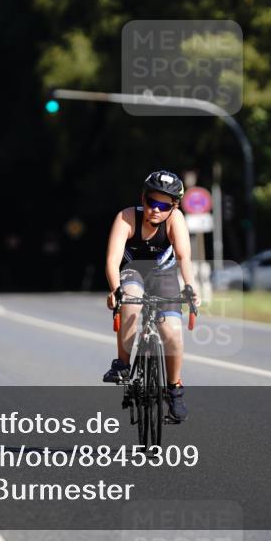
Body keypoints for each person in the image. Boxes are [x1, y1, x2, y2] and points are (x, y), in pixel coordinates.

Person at [103, 171, 198, 421]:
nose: (156, 210)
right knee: (131, 299)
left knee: (173, 333)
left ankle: (174, 389)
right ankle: (123, 364)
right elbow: (112, 261)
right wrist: (115, 290)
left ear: (174, 206)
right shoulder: (126, 217)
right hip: (133, 272)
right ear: (142, 199)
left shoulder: (175, 219)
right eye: (151, 202)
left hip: (164, 275)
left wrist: (190, 286)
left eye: (164, 205)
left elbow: (183, 257)